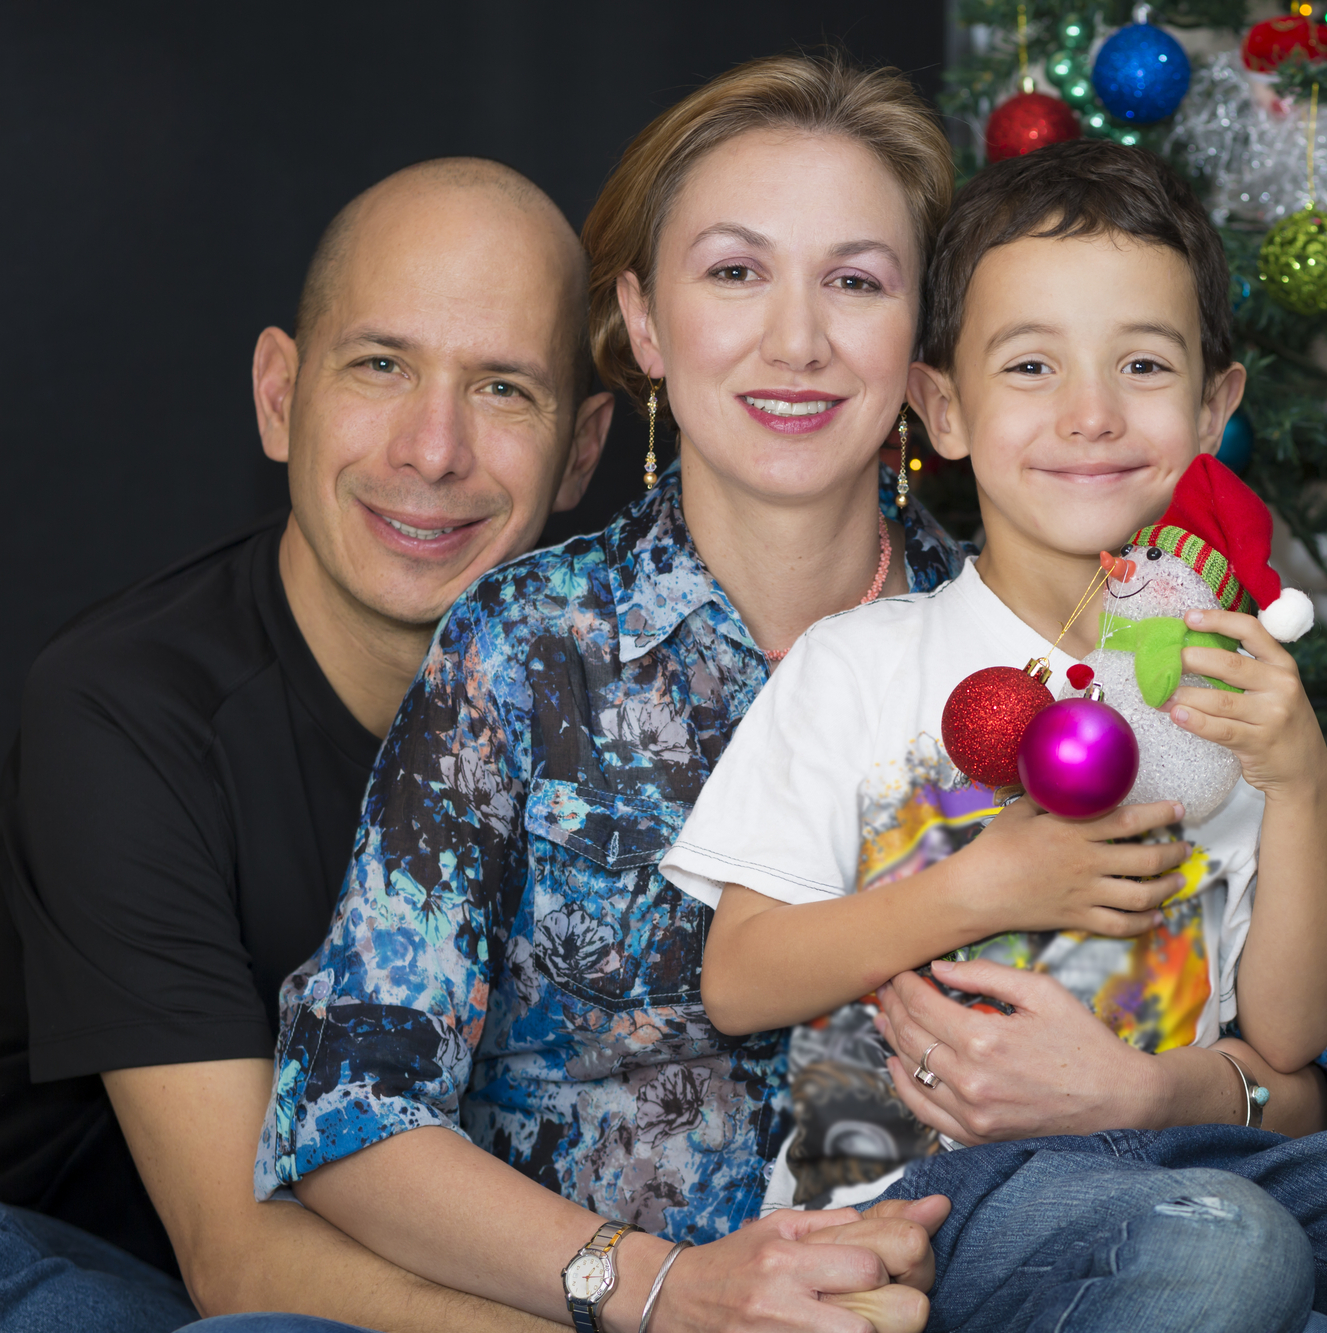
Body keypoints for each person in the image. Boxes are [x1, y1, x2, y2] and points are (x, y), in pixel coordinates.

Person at [660, 139, 1327, 1333]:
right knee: (1219, 1246)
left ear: (1211, 407)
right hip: (928, 1190)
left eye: (1142, 364)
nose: (1089, 414)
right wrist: (980, 885)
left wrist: (1299, 786)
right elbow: (736, 978)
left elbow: (1287, 1037)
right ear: (944, 408)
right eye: (1030, 364)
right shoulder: (864, 662)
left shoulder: (1220, 683)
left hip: (1184, 1138)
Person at [255, 55, 961, 1333]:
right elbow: (351, 1112)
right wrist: (658, 1290)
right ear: (642, 324)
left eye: (855, 281)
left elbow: (1299, 1075)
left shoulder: (1020, 657)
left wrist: (1159, 1090)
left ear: (923, 339)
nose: (794, 339)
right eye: (734, 272)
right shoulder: (521, 648)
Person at [0, 157, 618, 1333]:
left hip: (489, 1283)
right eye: (381, 366)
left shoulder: (645, 704)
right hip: (107, 1285)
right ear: (280, 394)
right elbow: (240, 1259)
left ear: (581, 449)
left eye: (504, 390)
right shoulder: (123, 708)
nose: (431, 449)